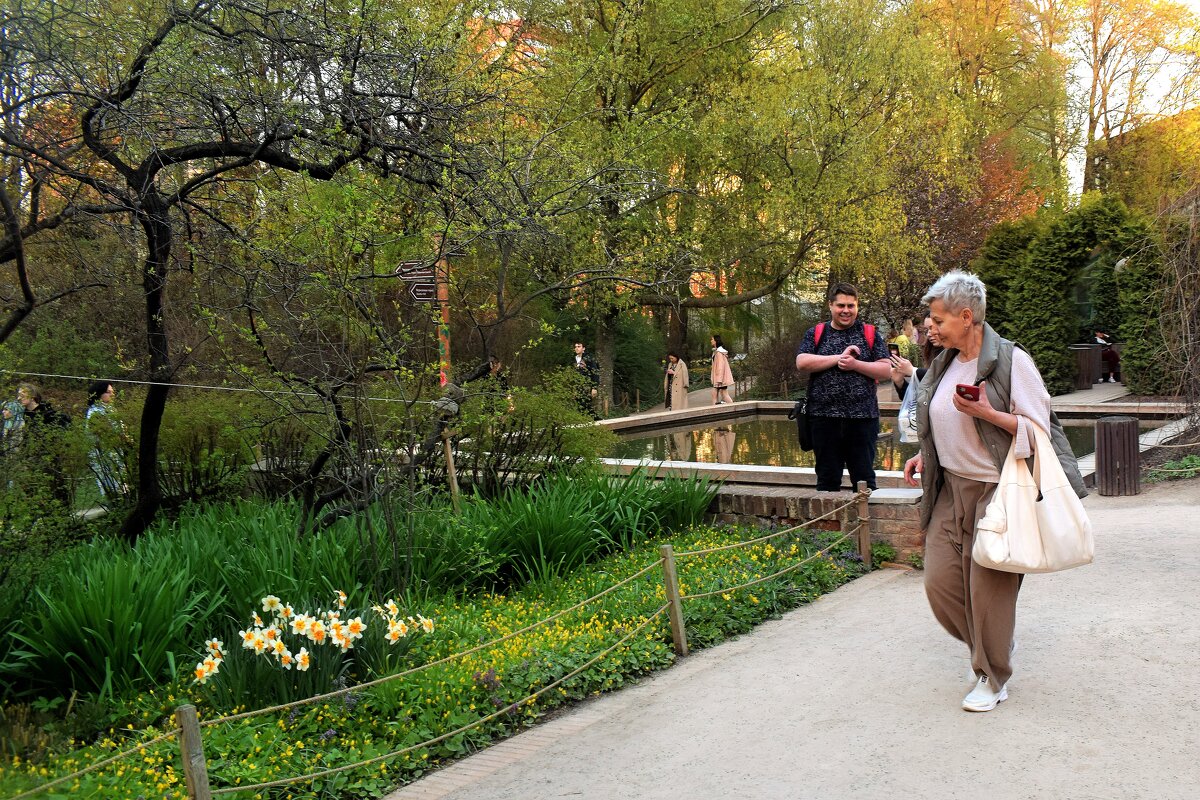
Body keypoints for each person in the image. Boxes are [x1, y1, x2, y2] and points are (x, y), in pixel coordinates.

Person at [902, 270, 1086, 713]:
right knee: (940, 583)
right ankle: (993, 643)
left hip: (999, 491)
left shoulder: (1011, 361)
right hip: (950, 487)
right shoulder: (945, 361)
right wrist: (928, 455)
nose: (930, 327)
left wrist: (989, 412)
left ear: (966, 317)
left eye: (938, 319)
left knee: (989, 590)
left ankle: (992, 675)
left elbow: (1039, 430)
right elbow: (942, 421)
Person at [794, 283, 891, 491]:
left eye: (851, 305)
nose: (846, 311)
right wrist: (839, 358)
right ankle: (828, 522)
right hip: (823, 419)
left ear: (857, 306)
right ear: (830, 305)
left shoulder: (870, 333)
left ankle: (865, 522)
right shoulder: (816, 333)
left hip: (862, 419)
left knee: (865, 480)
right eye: (841, 305)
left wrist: (855, 364)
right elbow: (802, 362)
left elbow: (885, 370)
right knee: (827, 480)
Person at [85, 380, 130, 499]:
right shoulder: (95, 413)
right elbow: (109, 434)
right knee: (113, 486)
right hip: (105, 456)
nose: (112, 394)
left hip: (116, 453)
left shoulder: (110, 409)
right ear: (99, 394)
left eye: (112, 392)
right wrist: (124, 439)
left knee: (123, 482)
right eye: (108, 392)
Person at [572, 341, 599, 417]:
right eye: (575, 347)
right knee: (579, 404)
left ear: (583, 348)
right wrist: (574, 388)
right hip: (578, 386)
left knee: (586, 404)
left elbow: (595, 372)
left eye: (579, 346)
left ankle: (596, 420)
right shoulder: (575, 359)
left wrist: (594, 387)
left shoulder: (589, 358)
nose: (576, 348)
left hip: (587, 385)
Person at [710, 335, 734, 405]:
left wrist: (719, 380)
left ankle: (732, 407)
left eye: (712, 339)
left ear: (715, 341)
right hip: (719, 378)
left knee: (722, 394)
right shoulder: (717, 351)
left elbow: (721, 367)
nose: (711, 341)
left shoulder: (719, 353)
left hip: (720, 378)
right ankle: (716, 409)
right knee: (719, 393)